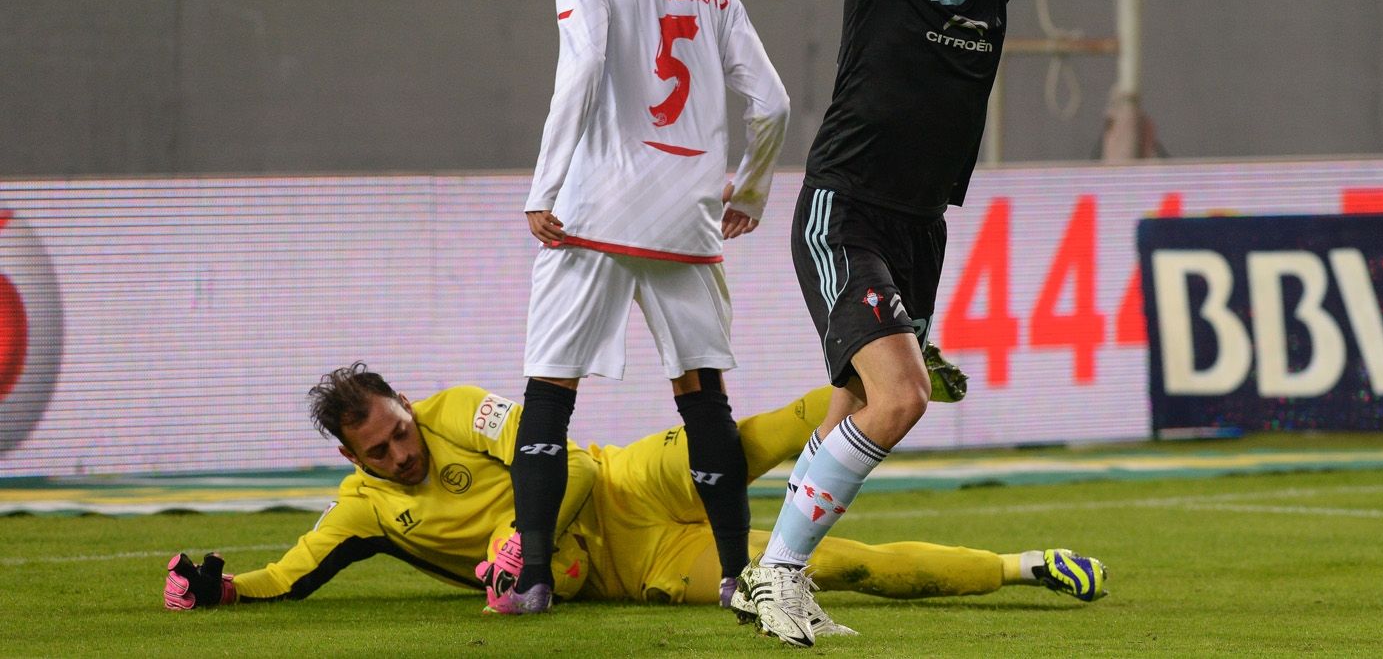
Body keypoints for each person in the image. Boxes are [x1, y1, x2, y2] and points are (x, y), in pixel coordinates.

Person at [733, 0, 1262, 647]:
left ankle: (775, 576)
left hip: (920, 223)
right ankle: (774, 575)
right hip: (842, 209)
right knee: (900, 397)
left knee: (860, 408)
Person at [161, 362, 1105, 616]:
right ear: (353, 462)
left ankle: (889, 375)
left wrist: (519, 548)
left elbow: (560, 459)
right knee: (830, 568)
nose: (402, 455)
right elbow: (298, 568)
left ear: (409, 405)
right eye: (381, 453)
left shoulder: (458, 409)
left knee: (741, 441)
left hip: (622, 479)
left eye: (401, 431)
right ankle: (1027, 566)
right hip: (637, 564)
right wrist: (228, 586)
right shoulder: (365, 512)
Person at [507, 0, 791, 616]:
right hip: (687, 219)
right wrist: (752, 191)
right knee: (702, 396)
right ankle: (738, 574)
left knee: (549, 388)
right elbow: (773, 103)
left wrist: (546, 186)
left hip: (593, 214)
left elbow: (583, 65)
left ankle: (532, 577)